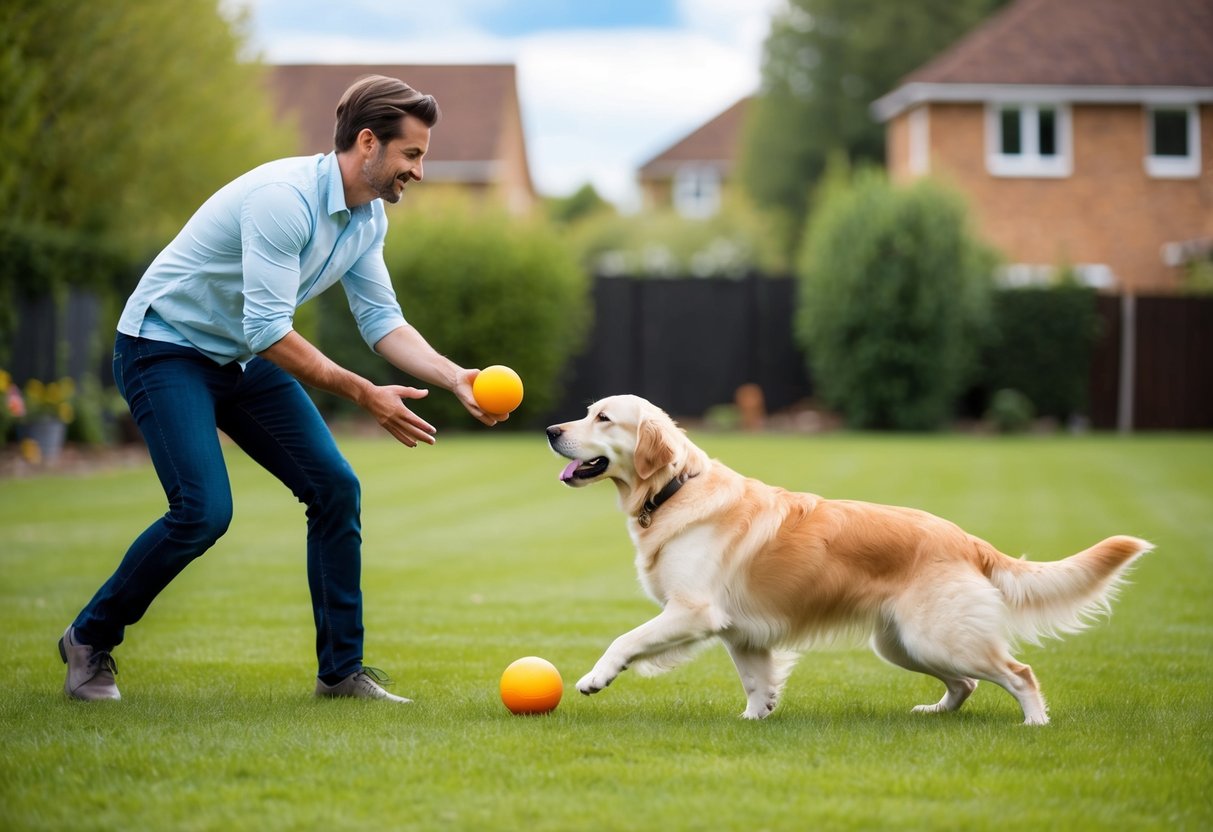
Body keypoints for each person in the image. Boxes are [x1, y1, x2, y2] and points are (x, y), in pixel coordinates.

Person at [58, 75, 504, 703]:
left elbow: (382, 322)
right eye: (413, 155)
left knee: (334, 487)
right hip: (164, 347)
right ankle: (88, 637)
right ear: (369, 143)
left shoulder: (365, 218)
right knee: (202, 512)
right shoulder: (282, 198)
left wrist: (454, 375)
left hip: (238, 355)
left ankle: (340, 673)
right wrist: (363, 394)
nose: (420, 172)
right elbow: (269, 329)